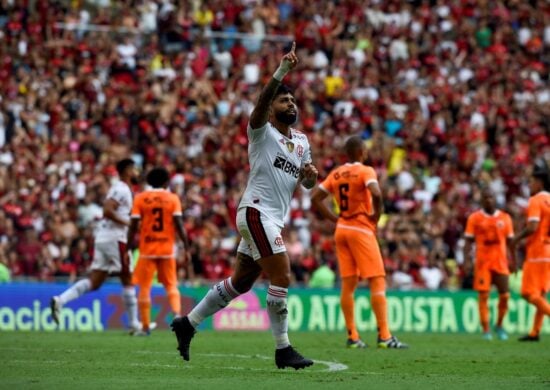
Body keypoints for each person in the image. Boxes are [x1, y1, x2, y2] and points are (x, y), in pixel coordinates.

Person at [171, 42, 318, 370]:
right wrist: (280, 73)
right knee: (282, 274)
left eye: (293, 99)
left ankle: (188, 323)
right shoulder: (261, 132)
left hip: (271, 219)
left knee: (241, 282)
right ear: (271, 108)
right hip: (256, 211)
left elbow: (306, 183)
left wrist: (309, 177)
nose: (290, 102)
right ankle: (283, 349)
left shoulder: (303, 142)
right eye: (284, 98)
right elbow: (261, 103)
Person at [310, 136, 408, 349]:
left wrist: (335, 219)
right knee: (377, 280)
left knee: (348, 284)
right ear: (362, 151)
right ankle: (384, 336)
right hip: (360, 228)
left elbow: (315, 198)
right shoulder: (366, 171)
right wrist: (376, 215)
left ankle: (353, 337)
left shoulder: (336, 173)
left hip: (342, 230)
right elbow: (376, 193)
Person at [50, 158, 141, 333]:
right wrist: (129, 223)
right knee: (127, 277)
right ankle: (134, 325)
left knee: (95, 281)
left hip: (104, 237)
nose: (136, 173)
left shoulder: (121, 189)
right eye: (134, 169)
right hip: (115, 238)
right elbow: (107, 210)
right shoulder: (121, 188)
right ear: (127, 171)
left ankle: (60, 300)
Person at [127, 167, 191, 335]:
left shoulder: (140, 198)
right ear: (166, 182)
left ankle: (146, 326)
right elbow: (179, 225)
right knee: (171, 285)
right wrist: (186, 246)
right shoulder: (173, 199)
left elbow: (133, 226)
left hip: (147, 249)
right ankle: (177, 315)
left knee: (144, 287)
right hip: (167, 249)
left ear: (148, 181)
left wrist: (127, 246)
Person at [463, 188, 515, 340]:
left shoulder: (505, 218)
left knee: (505, 295)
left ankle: (499, 325)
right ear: (481, 200)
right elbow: (467, 241)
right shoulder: (474, 218)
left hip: (501, 262)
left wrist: (514, 261)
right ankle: (486, 329)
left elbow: (511, 242)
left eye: (491, 197)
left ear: (495, 198)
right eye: (486, 197)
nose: (489, 200)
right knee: (484, 296)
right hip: (482, 263)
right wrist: (466, 260)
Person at [511, 158, 550, 342]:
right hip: (548, 252)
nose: (529, 185)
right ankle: (535, 332)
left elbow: (533, 227)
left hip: (537, 252)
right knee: (540, 294)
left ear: (539, 182)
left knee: (528, 293)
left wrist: (516, 239)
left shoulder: (536, 200)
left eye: (531, 181)